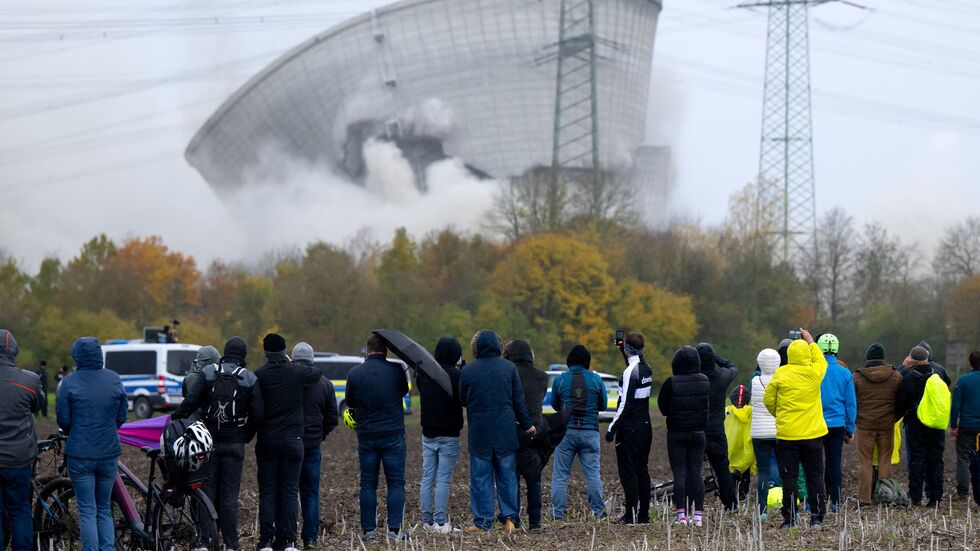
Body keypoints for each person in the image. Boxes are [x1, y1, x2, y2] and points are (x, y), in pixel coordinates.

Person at [174, 336, 264, 551]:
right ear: (243, 355)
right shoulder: (249, 378)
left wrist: (176, 416)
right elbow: (258, 414)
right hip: (235, 444)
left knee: (207, 493)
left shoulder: (209, 372)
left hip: (210, 444)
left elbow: (191, 401)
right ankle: (231, 543)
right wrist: (245, 435)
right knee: (229, 496)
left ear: (225, 352)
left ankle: (206, 541)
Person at [57, 337, 129, 551]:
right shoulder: (114, 379)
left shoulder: (69, 382)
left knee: (87, 510)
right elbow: (122, 415)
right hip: (108, 453)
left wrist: (74, 433)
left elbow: (63, 419)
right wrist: (109, 429)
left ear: (76, 356)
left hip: (80, 454)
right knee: (104, 509)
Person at [459, 330, 535, 532]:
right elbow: (518, 400)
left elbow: (462, 399)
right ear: (497, 346)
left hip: (480, 432)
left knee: (480, 478)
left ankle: (482, 521)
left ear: (477, 347)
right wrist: (527, 424)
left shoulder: (468, 371)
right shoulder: (509, 368)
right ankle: (510, 519)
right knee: (507, 476)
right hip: (505, 431)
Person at [253, 334, 322, 551]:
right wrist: (291, 363)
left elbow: (256, 409)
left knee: (268, 491)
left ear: (266, 352)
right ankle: (289, 540)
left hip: (267, 440)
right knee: (290, 491)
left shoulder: (259, 375)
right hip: (293, 440)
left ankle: (266, 540)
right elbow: (317, 372)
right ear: (284, 351)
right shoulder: (296, 371)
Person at [346, 334, 410, 541]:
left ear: (367, 350)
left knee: (367, 484)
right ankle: (394, 530)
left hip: (366, 436)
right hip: (393, 435)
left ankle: (368, 530)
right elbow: (402, 392)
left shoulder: (355, 373)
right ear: (385, 351)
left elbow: (350, 401)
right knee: (396, 484)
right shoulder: (397, 370)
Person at [763, 329, 829, 529]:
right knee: (815, 476)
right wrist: (811, 342)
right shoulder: (814, 373)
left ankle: (790, 518)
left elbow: (769, 400)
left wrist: (780, 415)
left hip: (788, 435)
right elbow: (822, 361)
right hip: (813, 435)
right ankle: (817, 517)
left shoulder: (780, 374)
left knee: (789, 478)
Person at [549, 344, 607, 520]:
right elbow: (603, 405)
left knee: (560, 475)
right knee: (593, 475)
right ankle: (599, 512)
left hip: (565, 433)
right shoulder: (596, 379)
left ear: (569, 361)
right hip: (590, 432)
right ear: (587, 362)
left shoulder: (560, 380)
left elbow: (555, 405)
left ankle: (557, 514)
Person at [0, 329, 44, 551]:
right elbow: (37, 405)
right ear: (14, 352)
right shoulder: (29, 380)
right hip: (18, 458)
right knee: (19, 510)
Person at [292, 342, 338, 550]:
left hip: (291, 442)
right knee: (311, 493)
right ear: (312, 359)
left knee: (290, 491)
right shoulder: (325, 384)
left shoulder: (286, 381)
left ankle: (289, 537)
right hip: (312, 445)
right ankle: (310, 539)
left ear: (293, 359)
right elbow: (332, 417)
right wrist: (321, 435)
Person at [605, 332, 653, 525]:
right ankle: (644, 515)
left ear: (627, 349)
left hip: (629, 429)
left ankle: (630, 515)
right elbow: (635, 365)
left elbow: (625, 404)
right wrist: (623, 349)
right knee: (642, 470)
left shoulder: (629, 373)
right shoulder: (646, 368)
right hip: (645, 427)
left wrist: (611, 429)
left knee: (628, 472)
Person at [658, 346, 710, 527]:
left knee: (679, 473)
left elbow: (663, 408)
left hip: (677, 433)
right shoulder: (705, 380)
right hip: (698, 433)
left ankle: (681, 515)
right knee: (696, 472)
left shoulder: (671, 382)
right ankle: (698, 516)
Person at [418, 337, 465, 533]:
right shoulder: (457, 375)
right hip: (449, 434)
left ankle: (427, 521)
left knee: (427, 476)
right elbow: (463, 399)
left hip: (428, 433)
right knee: (443, 478)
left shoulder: (424, 372)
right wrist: (461, 370)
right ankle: (440, 521)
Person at [502, 339, 548, 530]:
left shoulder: (507, 373)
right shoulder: (542, 377)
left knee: (511, 476)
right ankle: (535, 521)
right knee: (533, 478)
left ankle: (513, 519)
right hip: (534, 431)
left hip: (511, 430)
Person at [897, 345, 950, 506]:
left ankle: (916, 497)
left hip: (916, 424)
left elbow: (900, 402)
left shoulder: (909, 376)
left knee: (917, 460)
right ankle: (935, 497)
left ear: (911, 359)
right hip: (936, 424)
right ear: (927, 358)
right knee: (936, 460)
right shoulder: (938, 374)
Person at [851, 343, 902, 506]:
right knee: (885, 461)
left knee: (865, 462)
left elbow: (852, 401)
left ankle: (864, 498)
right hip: (886, 425)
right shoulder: (896, 376)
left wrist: (856, 419)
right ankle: (885, 497)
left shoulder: (857, 377)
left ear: (868, 357)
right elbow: (901, 400)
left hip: (865, 425)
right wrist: (894, 417)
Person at [697, 342, 739, 511]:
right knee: (722, 469)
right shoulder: (722, 377)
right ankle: (731, 505)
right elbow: (733, 366)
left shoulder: (694, 378)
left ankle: (691, 506)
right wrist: (715, 358)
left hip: (697, 429)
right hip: (716, 431)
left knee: (693, 469)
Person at [816, 333, 855, 512]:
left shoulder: (814, 371)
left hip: (816, 424)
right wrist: (850, 427)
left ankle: (815, 500)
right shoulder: (845, 372)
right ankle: (836, 502)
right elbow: (850, 403)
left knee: (815, 464)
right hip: (837, 424)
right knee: (834, 463)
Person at [750, 348, 781, 521]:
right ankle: (788, 507)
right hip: (779, 431)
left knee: (762, 471)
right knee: (785, 470)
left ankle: (762, 511)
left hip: (759, 433)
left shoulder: (754, 381)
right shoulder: (781, 380)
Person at [951, 351, 980, 501]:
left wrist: (953, 426)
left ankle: (962, 492)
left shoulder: (963, 380)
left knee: (963, 458)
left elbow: (955, 405)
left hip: (967, 427)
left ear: (970, 363)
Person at [725, 385, 754, 503]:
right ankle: (742, 494)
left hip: (729, 451)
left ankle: (730, 496)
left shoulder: (726, 411)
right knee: (745, 475)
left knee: (729, 475)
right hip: (745, 452)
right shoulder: (751, 412)